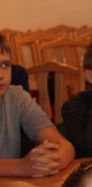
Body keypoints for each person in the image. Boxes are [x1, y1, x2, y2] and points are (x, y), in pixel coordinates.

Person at [0, 36, 74, 177]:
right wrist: (21, 167)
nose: (1, 75)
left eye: (5, 65)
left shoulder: (17, 96)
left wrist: (50, 162)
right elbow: (22, 167)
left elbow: (65, 146)